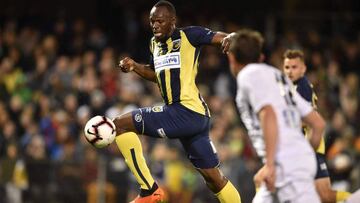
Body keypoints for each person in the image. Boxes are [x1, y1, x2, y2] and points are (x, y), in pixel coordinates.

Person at [113, 1, 241, 203]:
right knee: (214, 179)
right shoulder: (154, 44)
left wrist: (233, 37)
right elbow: (157, 74)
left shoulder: (189, 35)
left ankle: (149, 190)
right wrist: (135, 66)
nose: (155, 25)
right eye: (152, 21)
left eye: (160, 21)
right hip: (193, 117)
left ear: (173, 21)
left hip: (186, 110)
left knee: (119, 125)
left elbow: (222, 37)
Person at [227, 29, 325, 203]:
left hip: (285, 167)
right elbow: (317, 124)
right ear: (261, 57)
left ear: (232, 58)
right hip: (292, 161)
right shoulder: (277, 75)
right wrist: (303, 156)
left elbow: (268, 114)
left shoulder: (248, 74)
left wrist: (271, 165)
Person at [282, 49, 351, 203]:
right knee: (324, 195)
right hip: (304, 145)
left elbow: (307, 119)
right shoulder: (291, 87)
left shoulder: (302, 86)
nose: (290, 71)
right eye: (287, 67)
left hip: (309, 142)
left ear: (303, 68)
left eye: (294, 67)